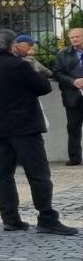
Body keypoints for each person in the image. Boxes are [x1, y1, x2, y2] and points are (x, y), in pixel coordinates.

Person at [0, 29, 77, 235]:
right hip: (23, 127)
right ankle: (47, 218)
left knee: (3, 176)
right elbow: (43, 87)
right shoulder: (18, 65)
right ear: (12, 45)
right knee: (38, 174)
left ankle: (11, 219)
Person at [55, 28, 83, 166]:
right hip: (72, 96)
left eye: (77, 36)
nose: (75, 39)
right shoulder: (63, 54)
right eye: (72, 37)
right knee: (73, 127)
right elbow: (58, 74)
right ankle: (74, 157)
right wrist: (73, 82)